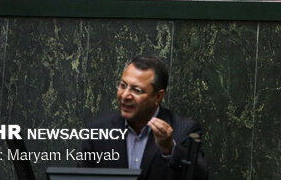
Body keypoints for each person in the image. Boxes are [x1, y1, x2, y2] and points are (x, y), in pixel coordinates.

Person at [80, 55, 208, 180]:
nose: (125, 95)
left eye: (137, 90)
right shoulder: (98, 129)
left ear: (158, 96)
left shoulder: (184, 129)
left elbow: (201, 176)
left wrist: (170, 149)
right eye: (123, 86)